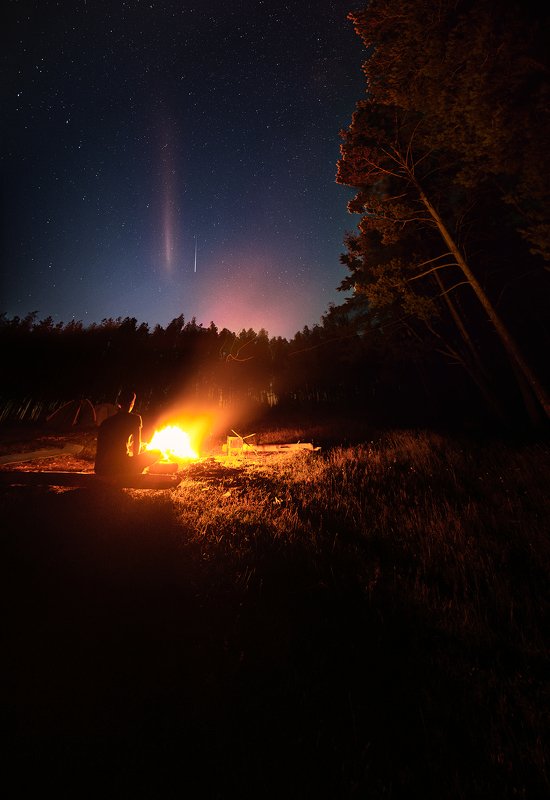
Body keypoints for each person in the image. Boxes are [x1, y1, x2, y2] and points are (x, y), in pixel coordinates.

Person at [94, 388, 160, 476]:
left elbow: (100, 449)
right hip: (120, 466)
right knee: (156, 453)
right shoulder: (135, 419)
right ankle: (131, 471)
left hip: (101, 468)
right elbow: (136, 446)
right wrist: (136, 462)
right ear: (131, 403)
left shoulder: (106, 422)